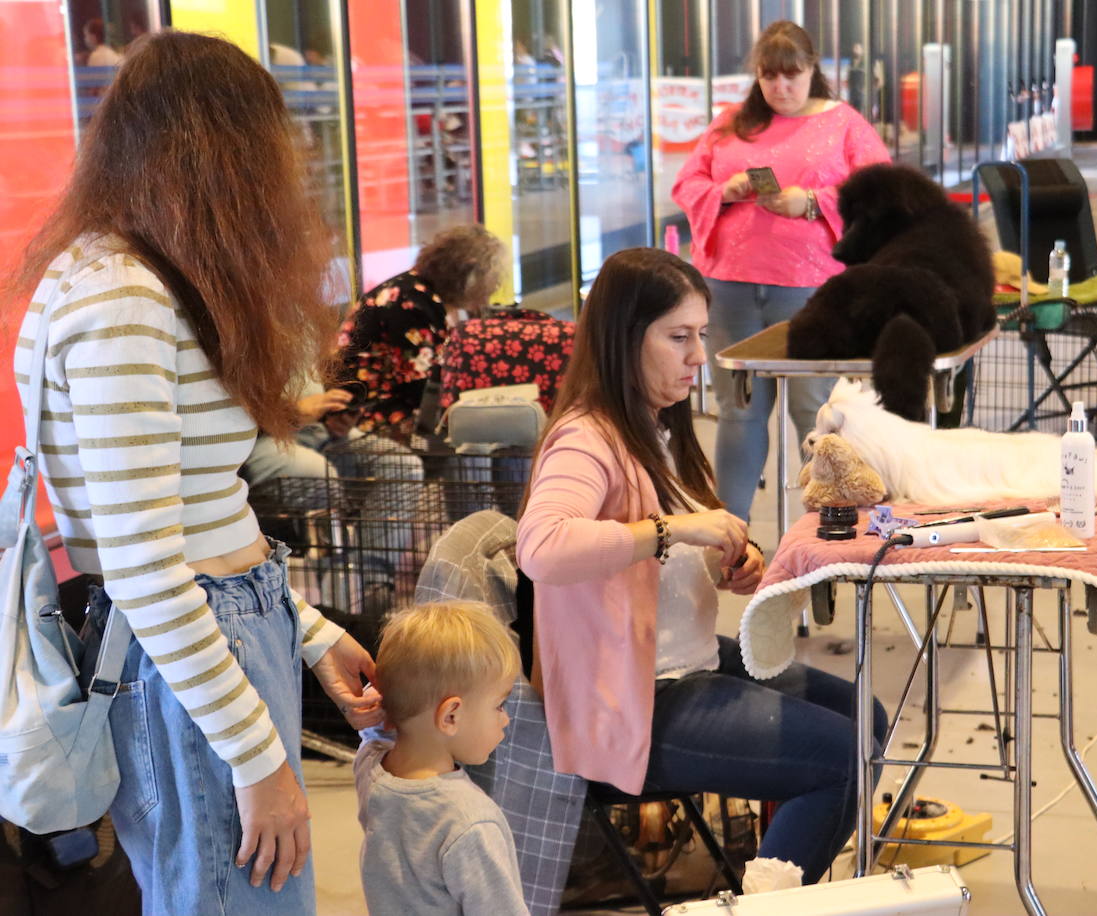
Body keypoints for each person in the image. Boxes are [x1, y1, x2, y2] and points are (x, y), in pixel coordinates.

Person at [8, 32, 382, 913]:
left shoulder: (134, 277)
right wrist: (256, 761)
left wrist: (306, 632)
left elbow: (196, 510)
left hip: (217, 643)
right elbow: (142, 564)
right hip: (192, 665)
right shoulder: (122, 296)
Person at [516, 247, 887, 885]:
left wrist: (731, 565)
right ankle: (773, 896)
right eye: (678, 337)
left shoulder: (660, 429)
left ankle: (776, 875)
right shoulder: (586, 437)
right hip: (632, 697)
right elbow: (541, 547)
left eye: (702, 336)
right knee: (840, 759)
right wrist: (673, 529)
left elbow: (673, 556)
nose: (697, 356)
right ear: (624, 338)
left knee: (867, 719)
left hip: (683, 665)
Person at [671, 20, 890, 520]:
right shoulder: (731, 123)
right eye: (769, 77)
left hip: (812, 290)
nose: (781, 88)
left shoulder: (845, 124)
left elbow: (882, 192)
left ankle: (826, 528)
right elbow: (688, 183)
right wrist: (725, 191)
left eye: (792, 75)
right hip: (729, 285)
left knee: (816, 410)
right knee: (739, 411)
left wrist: (811, 202)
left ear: (814, 70)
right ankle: (732, 530)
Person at [354, 603, 529, 916]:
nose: (506, 719)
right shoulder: (470, 820)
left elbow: (373, 737)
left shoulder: (371, 770)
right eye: (499, 705)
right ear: (451, 715)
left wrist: (389, 704)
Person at [335, 224, 508, 441]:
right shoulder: (411, 303)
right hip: (370, 415)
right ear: (468, 274)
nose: (491, 290)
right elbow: (419, 387)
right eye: (490, 281)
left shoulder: (416, 292)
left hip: (378, 406)